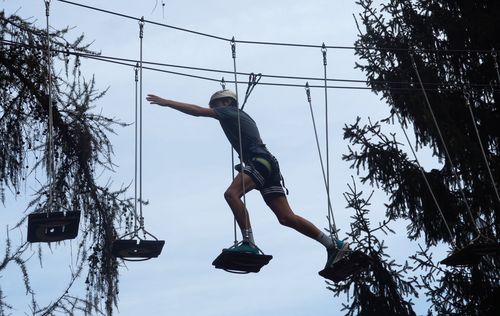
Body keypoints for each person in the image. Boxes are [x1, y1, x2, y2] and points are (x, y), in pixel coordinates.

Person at [146, 89, 349, 268]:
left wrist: (167, 102)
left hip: (260, 161)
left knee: (231, 194)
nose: (214, 108)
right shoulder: (238, 117)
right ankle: (332, 244)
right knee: (286, 217)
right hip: (268, 164)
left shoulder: (229, 112)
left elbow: (198, 111)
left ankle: (248, 242)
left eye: (216, 105)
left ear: (226, 103)